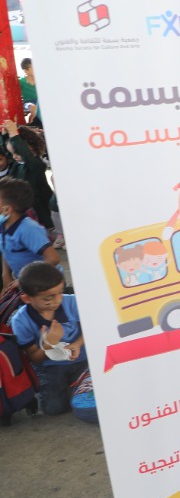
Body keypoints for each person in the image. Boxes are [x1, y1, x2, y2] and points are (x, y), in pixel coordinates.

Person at [11, 261, 86, 416]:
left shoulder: (71, 302)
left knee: (88, 401)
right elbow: (34, 358)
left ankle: (75, 386)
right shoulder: (20, 321)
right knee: (53, 409)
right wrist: (48, 344)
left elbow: (91, 328)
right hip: (50, 366)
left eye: (60, 292)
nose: (57, 300)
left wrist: (78, 344)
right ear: (27, 298)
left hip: (82, 360)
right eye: (48, 298)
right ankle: (69, 387)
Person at [0, 177, 58, 285]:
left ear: (7, 209)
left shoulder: (29, 229)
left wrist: (24, 279)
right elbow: (7, 249)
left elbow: (53, 258)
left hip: (45, 284)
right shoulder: (3, 224)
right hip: (25, 282)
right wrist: (5, 274)